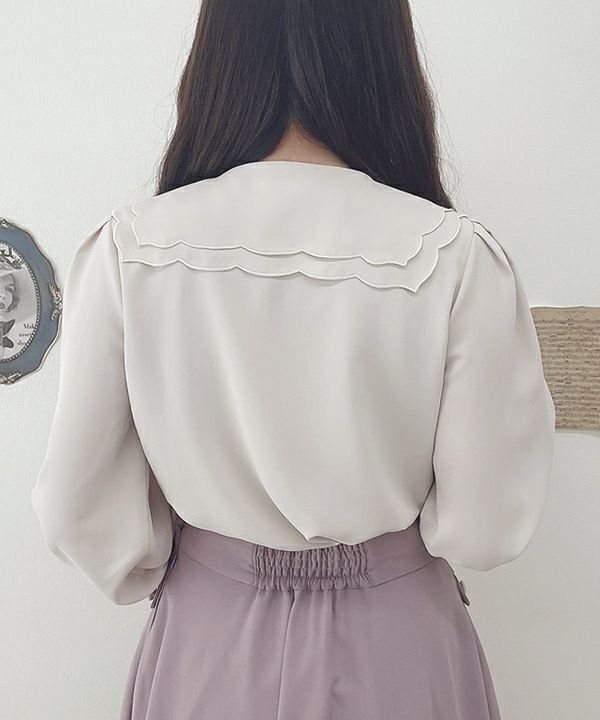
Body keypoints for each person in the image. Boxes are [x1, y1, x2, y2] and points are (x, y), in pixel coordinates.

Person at [30, 1, 556, 718]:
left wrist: (188, 563)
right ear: (382, 52)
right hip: (400, 640)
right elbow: (485, 528)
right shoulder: (454, 254)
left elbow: (76, 509)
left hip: (207, 640)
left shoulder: (130, 250)